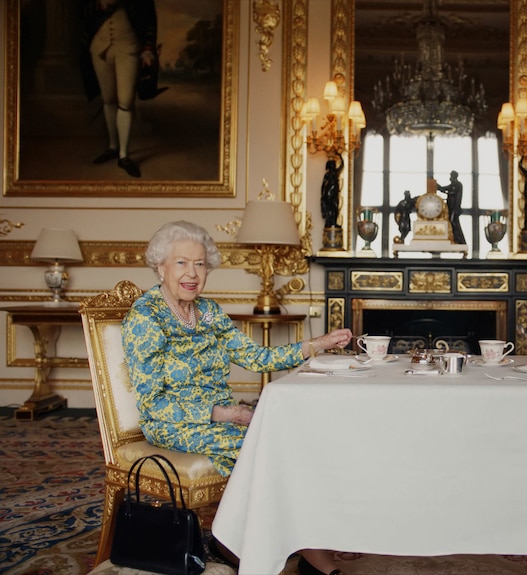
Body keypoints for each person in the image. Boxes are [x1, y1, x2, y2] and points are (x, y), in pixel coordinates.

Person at [121, 221, 351, 575]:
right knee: (268, 446)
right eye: (181, 263)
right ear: (160, 266)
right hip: (171, 422)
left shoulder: (209, 312)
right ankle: (305, 549)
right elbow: (153, 402)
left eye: (200, 264)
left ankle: (251, 541)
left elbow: (258, 358)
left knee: (288, 438)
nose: (192, 273)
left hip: (223, 416)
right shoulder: (146, 316)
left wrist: (316, 344)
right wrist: (222, 414)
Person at [81, 0, 159, 178]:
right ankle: (113, 147)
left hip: (129, 46)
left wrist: (148, 48)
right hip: (99, 47)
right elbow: (81, 10)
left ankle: (124, 155)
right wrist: (99, 5)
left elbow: (149, 16)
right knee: (108, 99)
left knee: (125, 100)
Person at [437, 171, 466, 245]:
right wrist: (438, 186)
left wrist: (440, 188)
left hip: (455, 208)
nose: (450, 178)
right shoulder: (453, 184)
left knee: (454, 222)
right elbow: (444, 189)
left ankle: (460, 240)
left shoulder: (458, 185)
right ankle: (455, 238)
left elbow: (450, 192)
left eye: (451, 176)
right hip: (451, 207)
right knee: (452, 222)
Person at [321, 158, 344, 228]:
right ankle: (330, 222)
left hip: (334, 194)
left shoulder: (335, 173)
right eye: (332, 165)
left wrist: (340, 156)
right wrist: (323, 194)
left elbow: (342, 166)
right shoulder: (327, 175)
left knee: (335, 207)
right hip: (328, 193)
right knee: (329, 208)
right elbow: (323, 185)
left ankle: (334, 222)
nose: (333, 166)